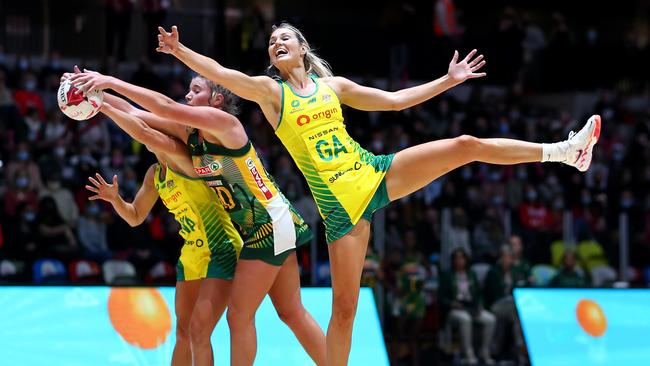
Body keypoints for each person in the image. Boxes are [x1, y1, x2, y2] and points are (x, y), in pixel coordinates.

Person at [154, 23, 601, 365]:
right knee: (344, 309)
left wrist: (447, 81)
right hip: (341, 211)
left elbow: (394, 101)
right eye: (272, 42)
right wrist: (180, 51)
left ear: (303, 48)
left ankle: (564, 151)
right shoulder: (271, 94)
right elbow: (221, 73)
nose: (277, 44)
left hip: (375, 174)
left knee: (466, 145)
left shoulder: (335, 87)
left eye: (285, 37)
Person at [70, 69, 327, 366]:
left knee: (239, 315)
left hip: (266, 223)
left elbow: (161, 110)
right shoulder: (191, 138)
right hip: (268, 223)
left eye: (195, 89)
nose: (187, 95)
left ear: (216, 99)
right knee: (291, 312)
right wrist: (95, 95)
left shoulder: (224, 123)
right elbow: (139, 115)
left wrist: (108, 83)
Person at [77, 82, 243, 365]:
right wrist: (115, 199)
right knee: (183, 332)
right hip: (192, 252)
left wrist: (98, 103)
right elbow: (134, 217)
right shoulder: (155, 174)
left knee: (199, 332)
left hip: (222, 248)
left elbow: (140, 128)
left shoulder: (184, 157)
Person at [439, 248, 496, 365]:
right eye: (456, 258)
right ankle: (469, 354)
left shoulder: (471, 274)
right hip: (454, 309)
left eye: (461, 258)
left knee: (491, 319)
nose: (459, 260)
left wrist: (479, 305)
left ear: (466, 260)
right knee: (465, 319)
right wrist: (452, 303)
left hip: (471, 307)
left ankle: (484, 352)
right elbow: (441, 298)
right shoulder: (447, 275)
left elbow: (478, 294)